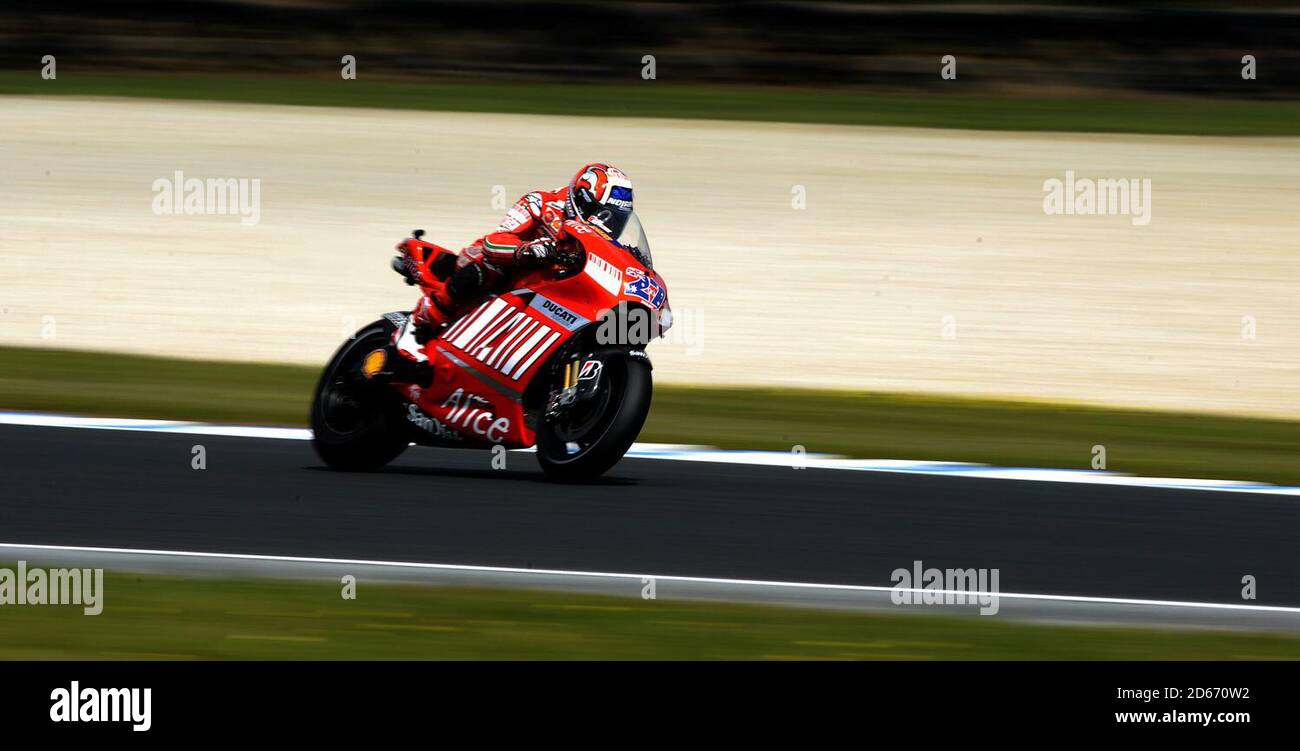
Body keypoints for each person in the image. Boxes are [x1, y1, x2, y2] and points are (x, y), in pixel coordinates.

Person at [408, 162, 634, 333]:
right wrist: (528, 250)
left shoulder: (600, 240)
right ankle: (422, 323)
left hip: (542, 293)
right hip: (502, 270)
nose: (607, 225)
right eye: (603, 216)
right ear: (582, 201)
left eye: (616, 220)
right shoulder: (540, 202)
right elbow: (494, 242)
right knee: (486, 267)